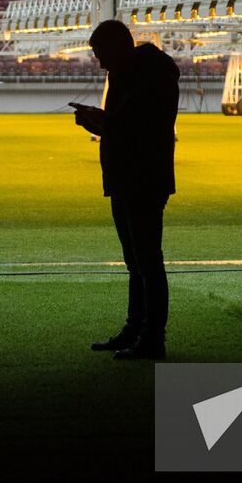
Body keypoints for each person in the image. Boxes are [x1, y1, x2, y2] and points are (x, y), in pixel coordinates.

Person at [73, 19, 179, 360]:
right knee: (138, 262)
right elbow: (128, 124)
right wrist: (102, 121)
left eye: (101, 54)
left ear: (118, 47)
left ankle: (152, 338)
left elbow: (138, 128)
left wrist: (99, 121)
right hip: (127, 178)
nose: (100, 63)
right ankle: (137, 330)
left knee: (147, 260)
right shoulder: (134, 73)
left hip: (142, 179)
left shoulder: (148, 77)